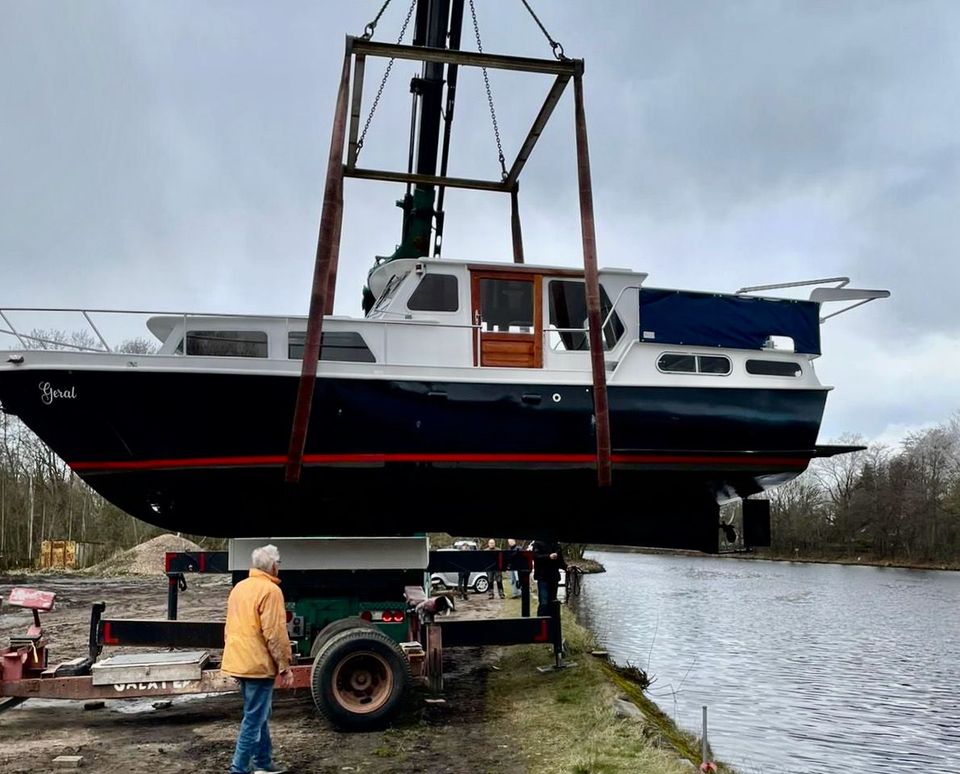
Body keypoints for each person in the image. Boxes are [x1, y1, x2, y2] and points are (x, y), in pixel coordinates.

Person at [223, 544, 293, 774]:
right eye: (279, 562)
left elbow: (229, 627)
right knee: (254, 719)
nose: (279, 566)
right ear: (273, 565)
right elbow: (274, 634)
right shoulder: (271, 591)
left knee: (259, 714)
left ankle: (263, 762)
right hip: (257, 664)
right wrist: (285, 666)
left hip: (240, 661)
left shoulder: (240, 588)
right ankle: (239, 768)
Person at [531, 539, 566, 617]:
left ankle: (551, 625)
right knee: (544, 603)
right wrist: (548, 556)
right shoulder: (537, 543)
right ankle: (540, 624)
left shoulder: (556, 544)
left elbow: (561, 561)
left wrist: (567, 568)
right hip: (542, 577)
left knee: (553, 603)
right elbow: (535, 556)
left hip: (554, 577)